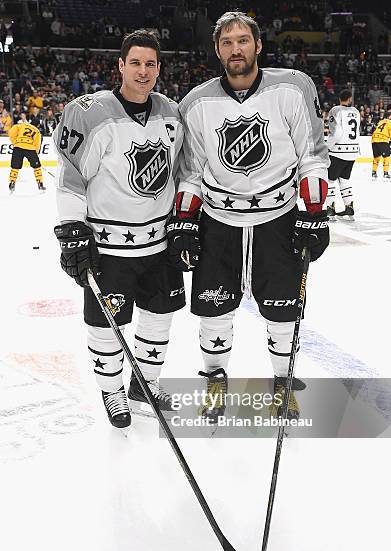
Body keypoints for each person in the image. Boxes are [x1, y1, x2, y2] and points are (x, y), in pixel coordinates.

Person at [167, 12, 329, 421]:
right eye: (227, 42)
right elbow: (190, 171)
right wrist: (185, 222)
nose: (235, 48)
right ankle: (215, 378)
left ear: (258, 45)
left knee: (283, 308)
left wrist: (315, 214)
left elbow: (311, 157)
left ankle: (282, 381)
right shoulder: (197, 101)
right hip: (219, 220)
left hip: (278, 217)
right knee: (214, 308)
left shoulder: (293, 88)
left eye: (243, 40)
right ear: (217, 49)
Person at [53, 30, 184, 428]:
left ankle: (144, 384)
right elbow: (71, 176)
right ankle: (112, 390)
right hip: (110, 247)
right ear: (121, 66)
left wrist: (184, 222)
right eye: (136, 63)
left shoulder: (171, 113)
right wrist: (73, 230)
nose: (143, 71)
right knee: (107, 325)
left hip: (158, 243)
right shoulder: (89, 111)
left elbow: (178, 172)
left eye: (150, 64)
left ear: (159, 69)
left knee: (159, 319)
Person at [325, 89, 361, 220]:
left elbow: (337, 133)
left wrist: (326, 147)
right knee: (344, 180)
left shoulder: (335, 110)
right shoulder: (356, 112)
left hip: (338, 152)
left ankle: (330, 208)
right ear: (350, 99)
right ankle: (349, 207)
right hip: (352, 152)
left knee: (330, 180)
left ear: (340, 99)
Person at [8, 118, 46, 193]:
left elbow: (12, 131)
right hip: (30, 148)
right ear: (38, 125)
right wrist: (36, 153)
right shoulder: (37, 131)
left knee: (15, 167)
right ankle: (40, 183)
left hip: (18, 147)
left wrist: (15, 142)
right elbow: (37, 143)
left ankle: (12, 182)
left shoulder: (22, 125)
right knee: (37, 167)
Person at [371, 108, 391, 180]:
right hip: (383, 140)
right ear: (389, 116)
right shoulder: (390, 122)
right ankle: (385, 173)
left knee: (376, 157)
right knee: (386, 157)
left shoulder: (380, 122)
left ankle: (374, 172)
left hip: (374, 140)